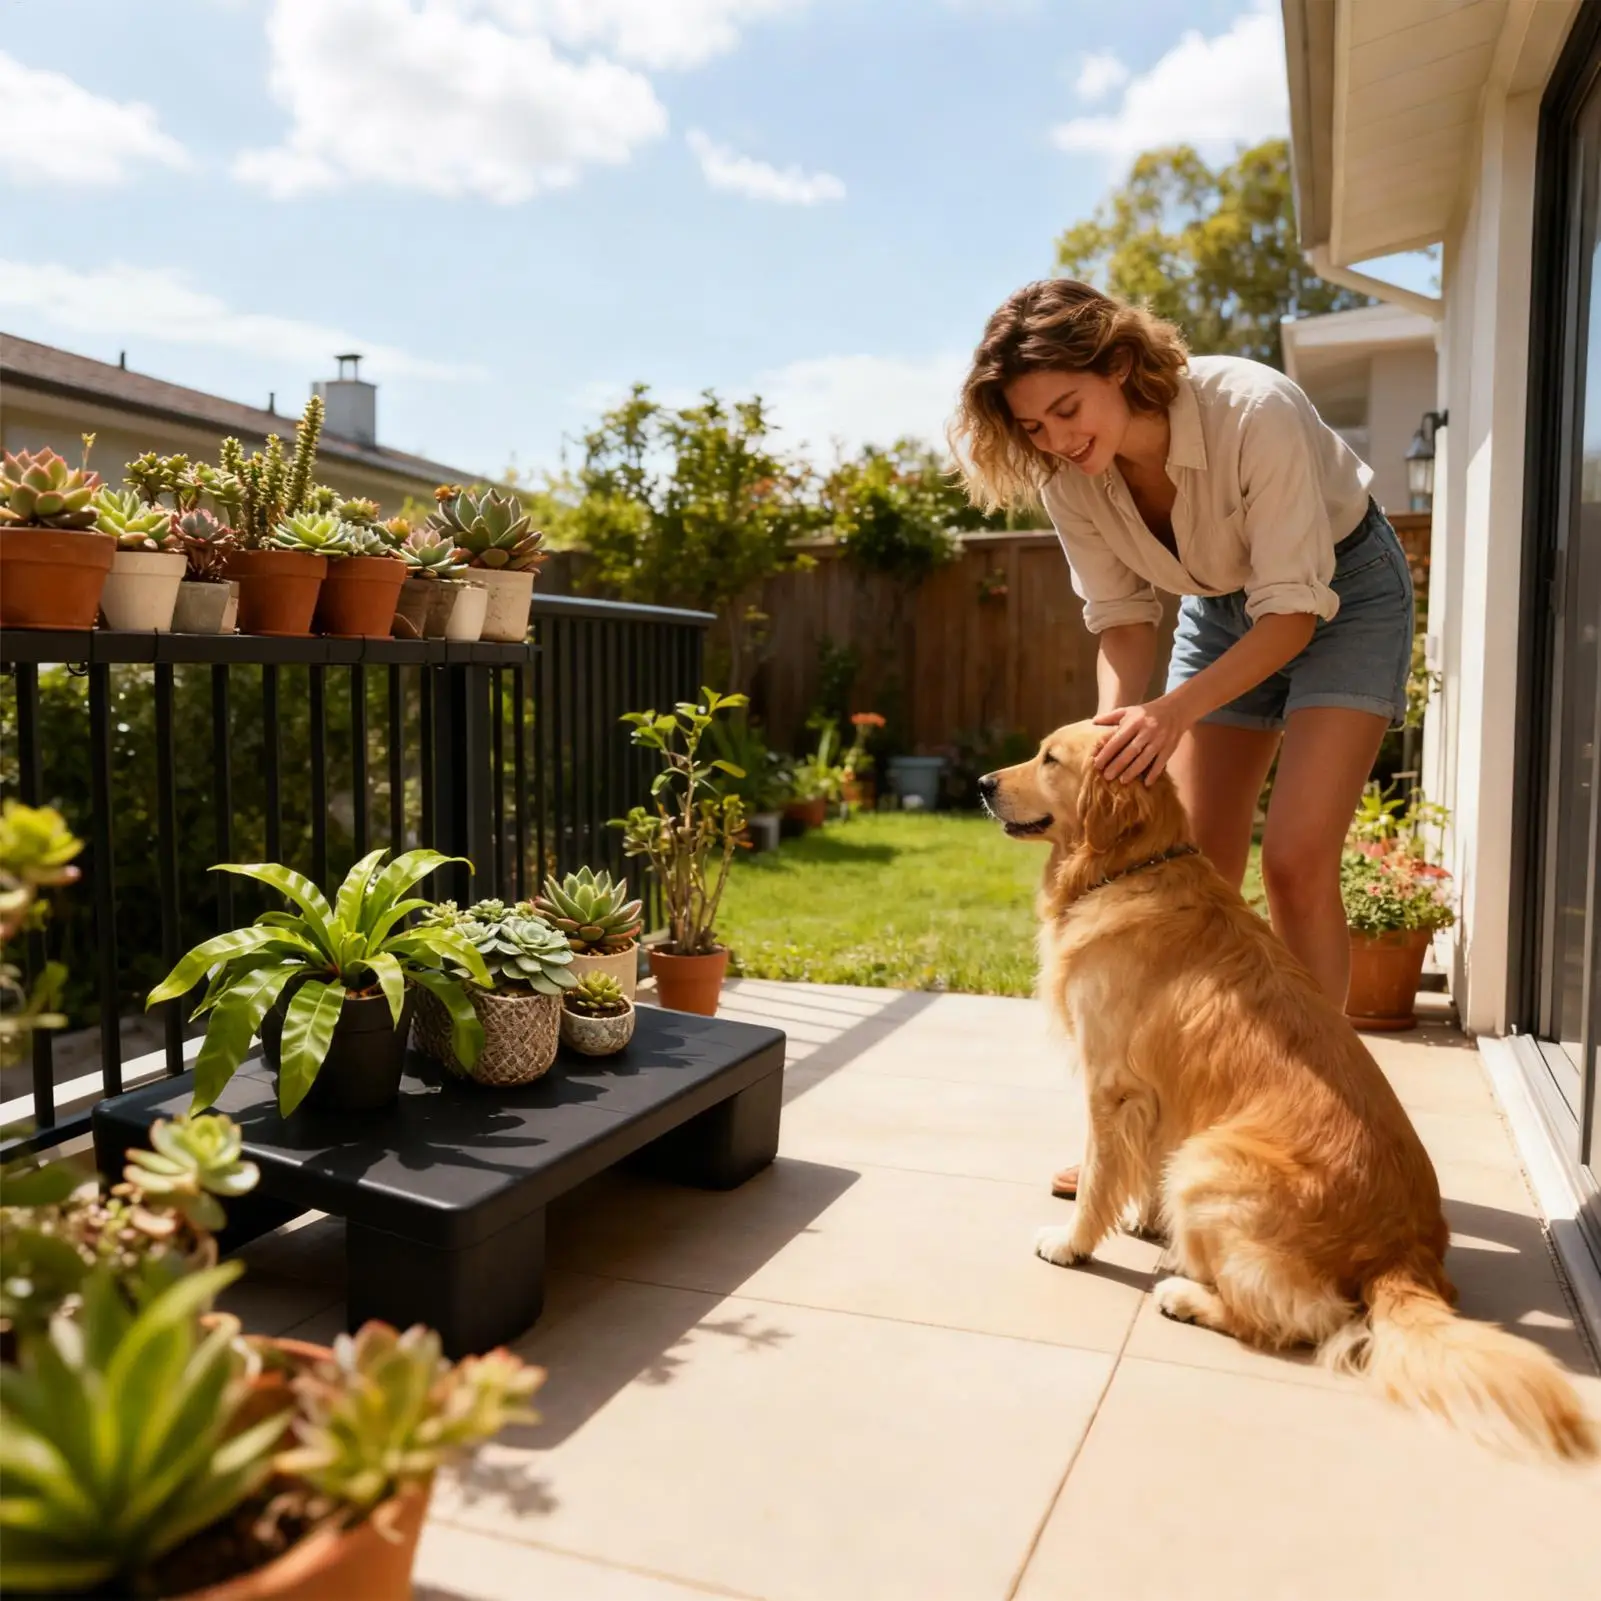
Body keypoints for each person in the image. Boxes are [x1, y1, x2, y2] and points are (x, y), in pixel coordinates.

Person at [951, 279, 1414, 1201]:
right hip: (1223, 605)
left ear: (1120, 364)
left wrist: (1174, 713)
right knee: (1188, 869)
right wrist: (1115, 740)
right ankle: (1141, 1127)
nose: (1054, 438)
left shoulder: (1254, 410)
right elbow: (1122, 624)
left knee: (1292, 857)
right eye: (1031, 425)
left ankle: (1314, 1120)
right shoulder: (1067, 478)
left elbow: (1289, 616)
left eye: (1067, 407)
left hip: (1345, 595)